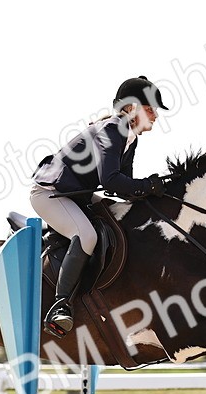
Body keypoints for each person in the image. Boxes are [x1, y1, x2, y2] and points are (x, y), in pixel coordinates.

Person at [30, 76, 169, 338]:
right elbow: (111, 180)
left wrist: (154, 193)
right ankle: (60, 305)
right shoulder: (114, 129)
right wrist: (147, 186)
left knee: (119, 215)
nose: (156, 115)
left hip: (76, 196)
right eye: (150, 108)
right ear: (132, 108)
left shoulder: (130, 137)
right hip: (50, 195)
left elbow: (122, 189)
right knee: (87, 235)